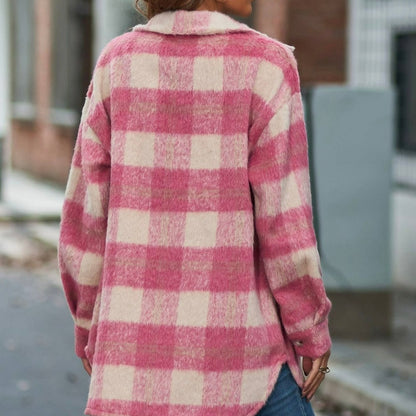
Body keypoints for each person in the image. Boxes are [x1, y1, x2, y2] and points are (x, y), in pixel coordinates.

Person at [58, 0, 332, 415]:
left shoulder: (116, 65)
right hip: (243, 368)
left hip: (132, 368)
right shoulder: (266, 66)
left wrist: (87, 324)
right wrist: (310, 331)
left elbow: (84, 221)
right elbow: (284, 226)